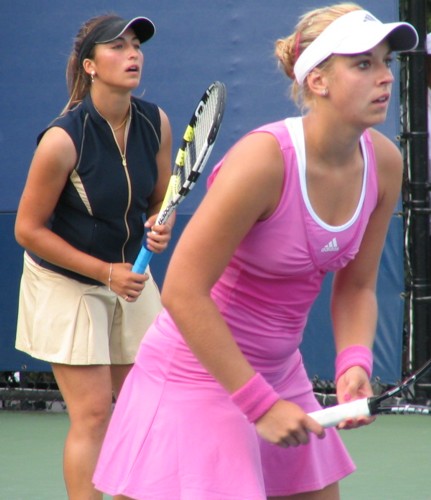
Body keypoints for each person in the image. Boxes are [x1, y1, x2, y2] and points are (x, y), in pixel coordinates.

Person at [93, 4, 418, 500]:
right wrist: (258, 404)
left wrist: (354, 361)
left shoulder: (386, 164)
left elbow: (358, 284)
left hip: (278, 373)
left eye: (386, 63)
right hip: (195, 375)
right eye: (363, 63)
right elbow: (182, 290)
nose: (384, 78)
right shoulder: (264, 161)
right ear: (319, 82)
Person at [14, 14, 173, 500]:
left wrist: (161, 230)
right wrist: (106, 272)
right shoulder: (62, 140)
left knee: (146, 408)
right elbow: (27, 229)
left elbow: (160, 203)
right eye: (118, 47)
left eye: (137, 47)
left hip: (132, 278)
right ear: (90, 65)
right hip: (67, 281)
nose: (133, 54)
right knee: (94, 414)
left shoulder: (156, 122)